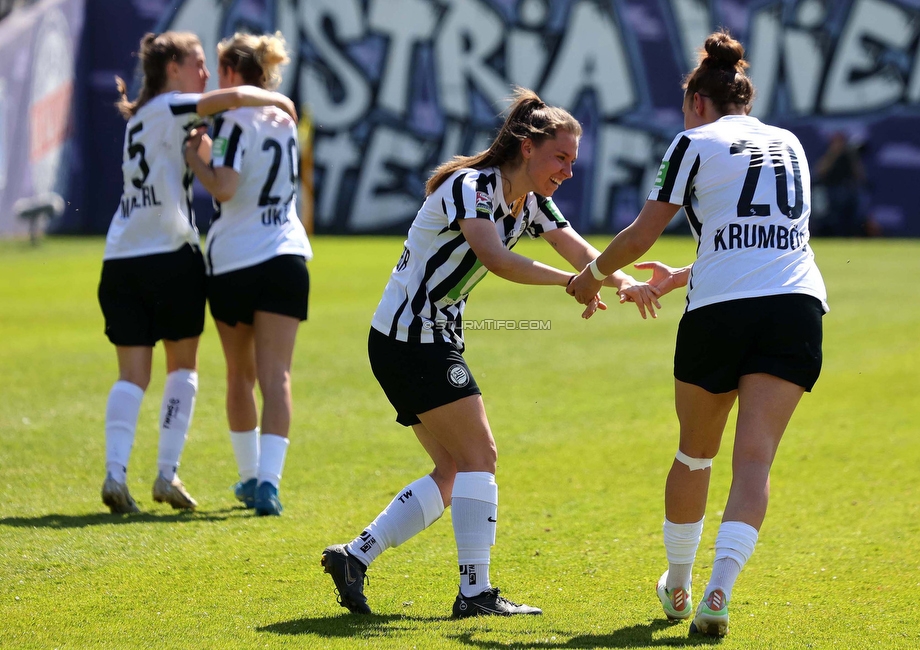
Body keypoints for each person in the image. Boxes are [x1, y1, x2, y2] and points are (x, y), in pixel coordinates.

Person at [320, 88, 651, 618]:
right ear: (526, 147)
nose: (568, 170)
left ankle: (354, 557)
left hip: (423, 338)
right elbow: (495, 258)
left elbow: (581, 250)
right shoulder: (470, 188)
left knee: (453, 470)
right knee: (481, 458)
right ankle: (474, 594)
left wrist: (624, 282)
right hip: (412, 339)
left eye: (573, 160)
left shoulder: (532, 202)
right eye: (559, 158)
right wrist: (577, 283)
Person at [568, 31, 828, 637]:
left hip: (719, 316)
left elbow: (640, 234)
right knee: (754, 463)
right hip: (795, 308)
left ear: (696, 102)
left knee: (694, 454)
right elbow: (768, 242)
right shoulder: (789, 142)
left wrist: (593, 274)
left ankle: (680, 585)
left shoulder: (691, 143)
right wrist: (681, 275)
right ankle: (721, 591)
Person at [98, 31, 298, 514]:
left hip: (119, 255)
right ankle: (166, 474)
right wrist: (279, 98)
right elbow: (229, 98)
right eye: (197, 63)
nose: (204, 73)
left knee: (130, 376)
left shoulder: (139, 118)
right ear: (172, 68)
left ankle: (114, 473)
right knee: (183, 370)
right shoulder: (175, 105)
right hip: (171, 255)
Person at [183, 32, 311, 517]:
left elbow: (226, 188)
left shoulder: (233, 122)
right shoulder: (284, 116)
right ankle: (270, 485)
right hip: (285, 256)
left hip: (236, 259)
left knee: (239, 374)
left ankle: (249, 476)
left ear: (233, 75)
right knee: (277, 376)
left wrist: (196, 157)